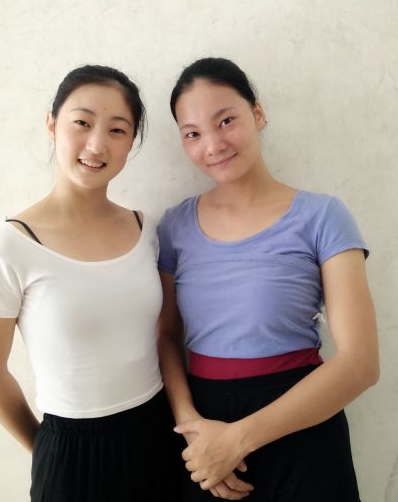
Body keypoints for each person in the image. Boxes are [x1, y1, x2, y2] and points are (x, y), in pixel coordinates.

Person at [157, 58, 379, 501]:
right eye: (192, 133)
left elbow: (361, 363)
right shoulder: (174, 227)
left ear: (257, 114)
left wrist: (237, 440)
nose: (213, 144)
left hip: (304, 427)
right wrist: (191, 427)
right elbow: (165, 337)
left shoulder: (323, 216)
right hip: (204, 439)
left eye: (226, 121)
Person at [0, 65, 181, 502]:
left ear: (131, 143)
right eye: (82, 122)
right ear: (52, 125)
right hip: (71, 451)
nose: (96, 145)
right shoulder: (9, 245)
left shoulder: (146, 230)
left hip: (159, 432)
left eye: (117, 130)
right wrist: (47, 450)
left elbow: (168, 333)